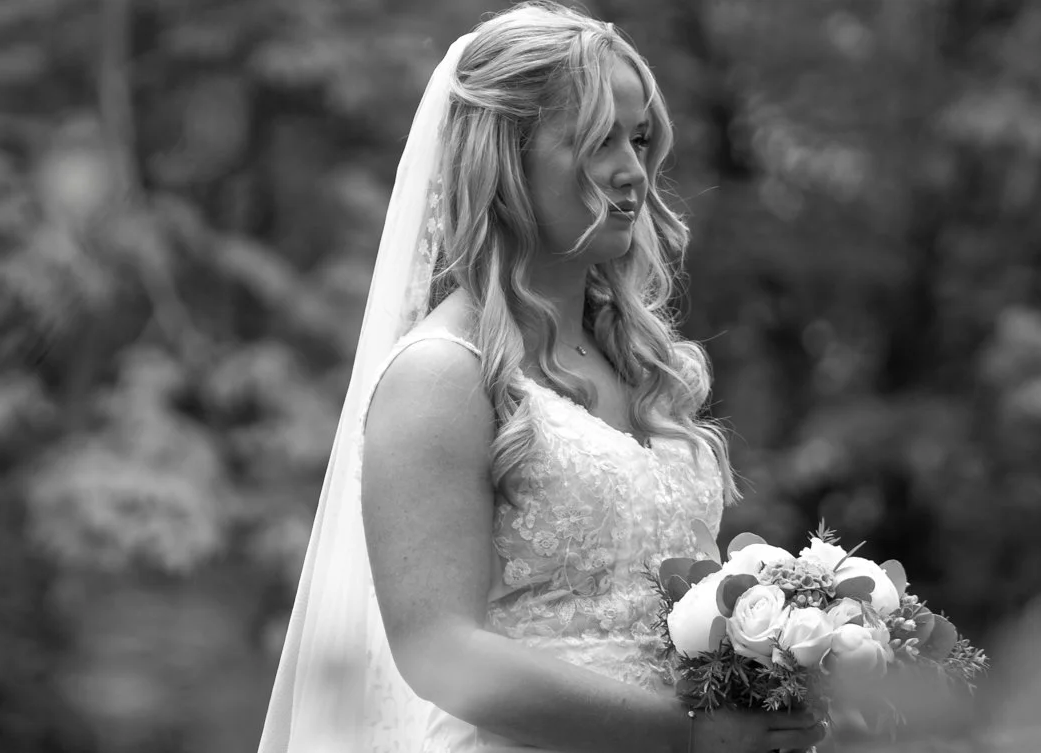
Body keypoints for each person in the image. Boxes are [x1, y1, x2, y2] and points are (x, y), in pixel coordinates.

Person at [258, 3, 830, 751]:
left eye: (639, 138)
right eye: (596, 141)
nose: (632, 171)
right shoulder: (441, 375)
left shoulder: (637, 359)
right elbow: (438, 651)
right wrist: (689, 736)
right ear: (506, 157)